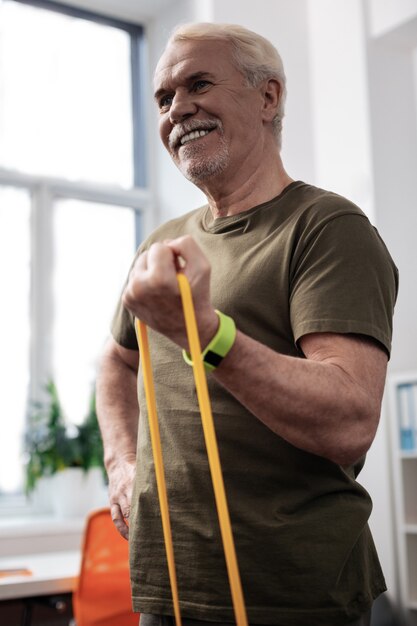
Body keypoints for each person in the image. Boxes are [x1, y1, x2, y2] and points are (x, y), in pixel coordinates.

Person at [96, 22, 398, 626]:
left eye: (198, 83)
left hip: (292, 593)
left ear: (268, 97)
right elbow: (116, 359)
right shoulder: (162, 243)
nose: (178, 109)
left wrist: (205, 334)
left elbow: (347, 420)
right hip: (169, 584)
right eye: (163, 99)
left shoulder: (327, 228)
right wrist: (121, 463)